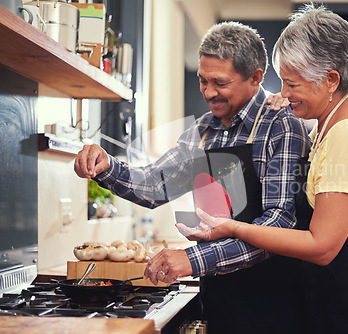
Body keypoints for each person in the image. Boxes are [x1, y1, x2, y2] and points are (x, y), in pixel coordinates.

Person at [178, 4, 348, 334]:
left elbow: (321, 247)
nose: (283, 93)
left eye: (291, 84)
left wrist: (234, 228)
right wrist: (292, 105)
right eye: (281, 82)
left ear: (330, 79)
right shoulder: (335, 113)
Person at [74, 21, 311, 334]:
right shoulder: (203, 130)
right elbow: (155, 185)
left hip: (275, 304)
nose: (208, 92)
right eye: (202, 80)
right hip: (221, 298)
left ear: (255, 77)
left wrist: (194, 259)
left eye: (220, 83)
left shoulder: (281, 125)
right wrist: (107, 166)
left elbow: (279, 224)